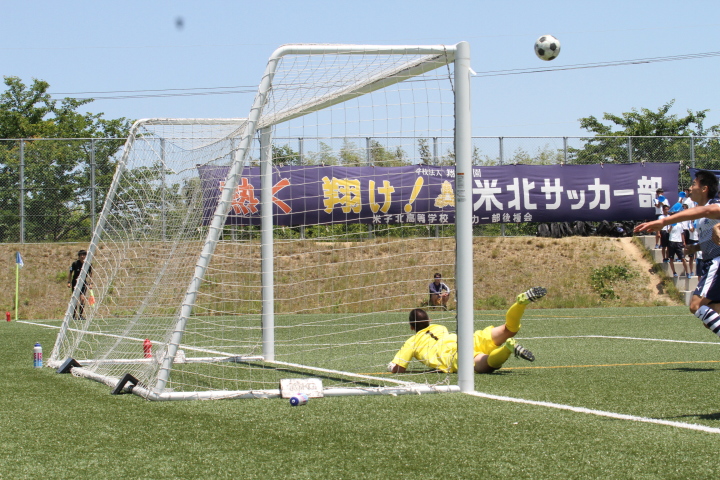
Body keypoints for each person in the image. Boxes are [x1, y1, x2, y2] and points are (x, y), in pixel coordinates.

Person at [634, 170, 720, 337]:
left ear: (704, 188)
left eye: (693, 184)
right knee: (709, 315)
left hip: (717, 263)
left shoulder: (715, 204)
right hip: (711, 261)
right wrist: (696, 248)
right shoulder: (704, 213)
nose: (690, 187)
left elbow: (710, 212)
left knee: (696, 306)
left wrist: (664, 220)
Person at [388, 287, 546, 374]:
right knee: (508, 329)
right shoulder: (438, 327)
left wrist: (392, 367)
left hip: (450, 353)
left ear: (411, 327)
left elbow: (399, 369)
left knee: (486, 364)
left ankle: (507, 349)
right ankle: (520, 304)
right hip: (465, 339)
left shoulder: (411, 342)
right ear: (430, 321)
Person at [68, 249, 92, 320]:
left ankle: (80, 315)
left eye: (83, 255)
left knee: (82, 299)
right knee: (75, 299)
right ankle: (73, 316)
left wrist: (90, 283)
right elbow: (70, 273)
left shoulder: (88, 264)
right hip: (75, 283)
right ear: (78, 256)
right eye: (80, 255)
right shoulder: (75, 264)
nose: (82, 256)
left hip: (83, 283)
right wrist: (69, 282)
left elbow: (91, 274)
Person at [666, 212, 690, 278]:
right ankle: (674, 272)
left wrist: (684, 241)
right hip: (671, 242)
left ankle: (687, 272)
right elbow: (668, 231)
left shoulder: (680, 224)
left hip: (678, 243)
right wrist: (671, 226)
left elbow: (682, 233)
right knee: (671, 258)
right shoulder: (669, 223)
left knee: (683, 258)